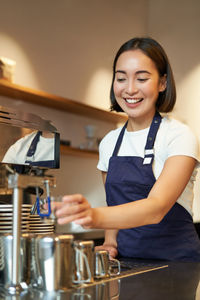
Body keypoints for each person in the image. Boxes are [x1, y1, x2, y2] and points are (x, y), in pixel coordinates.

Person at [53, 37, 200, 261]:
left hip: (177, 266)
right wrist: (110, 242)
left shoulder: (179, 136)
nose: (130, 89)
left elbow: (156, 208)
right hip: (128, 264)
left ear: (162, 83)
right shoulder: (109, 143)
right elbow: (115, 203)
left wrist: (92, 215)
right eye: (121, 78)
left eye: (141, 78)